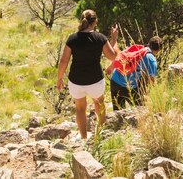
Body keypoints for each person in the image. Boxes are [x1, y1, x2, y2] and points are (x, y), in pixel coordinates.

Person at [57, 9, 119, 141]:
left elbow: (64, 61)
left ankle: (84, 138)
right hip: (95, 80)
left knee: (80, 109)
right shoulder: (100, 38)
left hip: (76, 81)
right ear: (95, 21)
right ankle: (99, 136)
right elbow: (112, 56)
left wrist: (60, 78)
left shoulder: (72, 38)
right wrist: (114, 39)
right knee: (100, 104)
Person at [107, 36, 162, 110]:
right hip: (128, 86)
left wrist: (111, 67)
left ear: (148, 44)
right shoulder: (151, 59)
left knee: (117, 111)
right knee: (140, 110)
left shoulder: (137, 48)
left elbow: (121, 56)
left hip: (115, 80)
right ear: (158, 50)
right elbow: (151, 79)